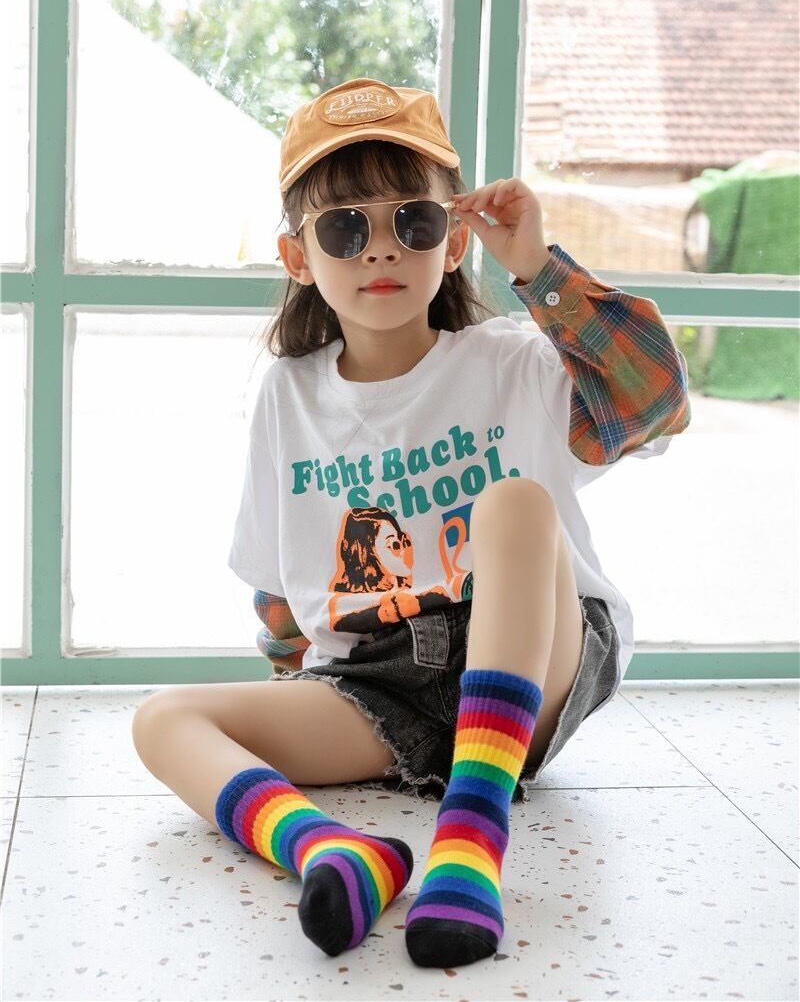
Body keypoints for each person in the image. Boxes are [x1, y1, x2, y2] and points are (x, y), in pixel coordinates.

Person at [131, 77, 691, 969]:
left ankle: (471, 836)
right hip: (380, 684)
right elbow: (279, 591)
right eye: (345, 229)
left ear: (455, 240)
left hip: (534, 660)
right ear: (298, 256)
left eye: (414, 221)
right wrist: (293, 698)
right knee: (163, 720)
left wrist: (538, 270)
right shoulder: (288, 394)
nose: (382, 247)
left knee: (514, 504)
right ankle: (335, 852)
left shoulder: (510, 362)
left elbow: (655, 399)